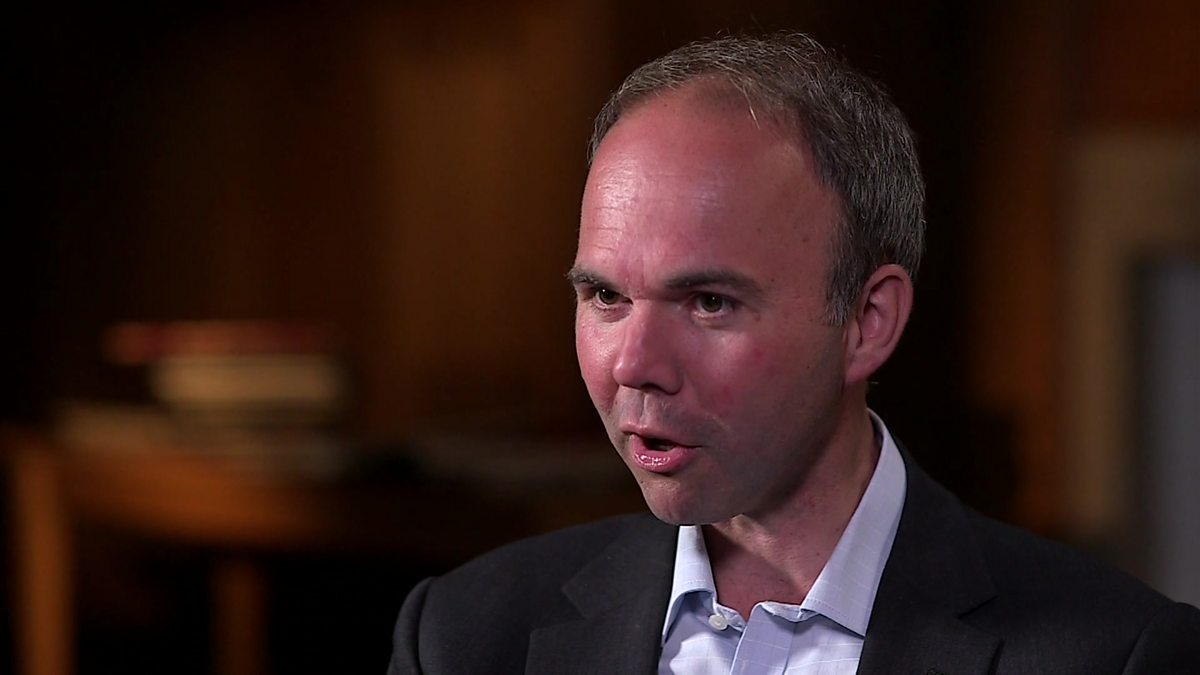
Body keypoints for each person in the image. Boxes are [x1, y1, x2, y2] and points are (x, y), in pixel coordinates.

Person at [388, 32, 1199, 674]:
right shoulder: (463, 635)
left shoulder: (1116, 653)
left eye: (709, 302)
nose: (633, 364)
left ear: (868, 321)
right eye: (605, 296)